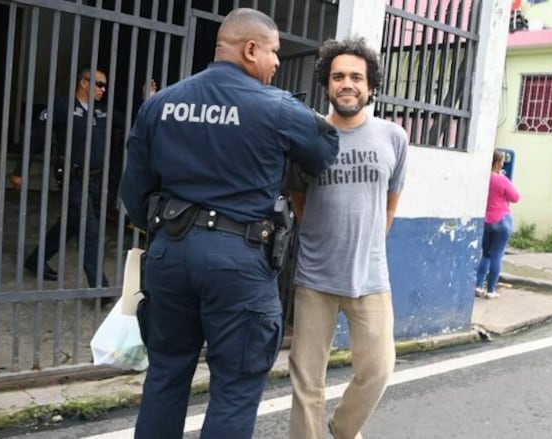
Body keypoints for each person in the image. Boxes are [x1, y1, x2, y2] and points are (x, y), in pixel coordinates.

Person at [120, 8, 339, 439]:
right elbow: (323, 151)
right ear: (251, 48)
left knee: (164, 377)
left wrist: (172, 233)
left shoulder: (161, 103)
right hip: (239, 262)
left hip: (170, 255)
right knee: (235, 389)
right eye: (274, 52)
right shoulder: (277, 108)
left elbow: (134, 191)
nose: (277, 63)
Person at [287, 37, 408, 439]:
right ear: (327, 85)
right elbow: (299, 200)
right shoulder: (311, 135)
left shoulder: (393, 137)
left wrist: (370, 243)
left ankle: (342, 429)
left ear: (370, 85)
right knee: (307, 380)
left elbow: (389, 203)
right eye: (338, 76)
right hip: (315, 278)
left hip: (371, 277)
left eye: (357, 76)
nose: (347, 84)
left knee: (378, 369)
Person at [13, 66, 121, 288]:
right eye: (99, 84)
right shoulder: (63, 107)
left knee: (71, 225)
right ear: (83, 83)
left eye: (105, 86)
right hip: (72, 178)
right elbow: (35, 136)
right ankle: (98, 286)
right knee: (88, 229)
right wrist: (20, 170)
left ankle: (35, 261)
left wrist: (148, 99)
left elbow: (130, 117)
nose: (103, 90)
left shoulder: (100, 111)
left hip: (94, 180)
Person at [474, 150, 520, 299]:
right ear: (498, 163)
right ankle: (491, 290)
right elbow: (515, 197)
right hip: (502, 221)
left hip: (486, 221)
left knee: (486, 255)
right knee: (497, 256)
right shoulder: (502, 179)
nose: (502, 164)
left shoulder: (483, 178)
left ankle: (478, 285)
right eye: (501, 161)